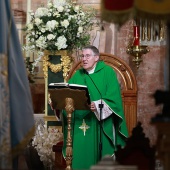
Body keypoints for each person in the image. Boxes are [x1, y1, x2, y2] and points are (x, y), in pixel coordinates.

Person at [62, 45, 128, 170]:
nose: (84, 59)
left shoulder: (107, 72)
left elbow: (114, 98)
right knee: (79, 157)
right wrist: (57, 102)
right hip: (79, 124)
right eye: (82, 56)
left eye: (87, 56)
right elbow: (67, 94)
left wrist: (98, 104)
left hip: (100, 125)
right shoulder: (78, 75)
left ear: (96, 58)